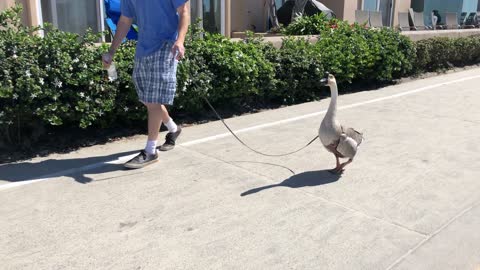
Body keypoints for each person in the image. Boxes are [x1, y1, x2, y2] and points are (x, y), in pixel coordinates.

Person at [102, 0, 190, 169]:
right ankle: (173, 129)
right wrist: (111, 51)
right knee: (147, 98)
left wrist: (180, 40)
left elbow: (184, 11)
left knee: (153, 100)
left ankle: (150, 151)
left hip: (166, 47)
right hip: (143, 49)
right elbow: (124, 21)